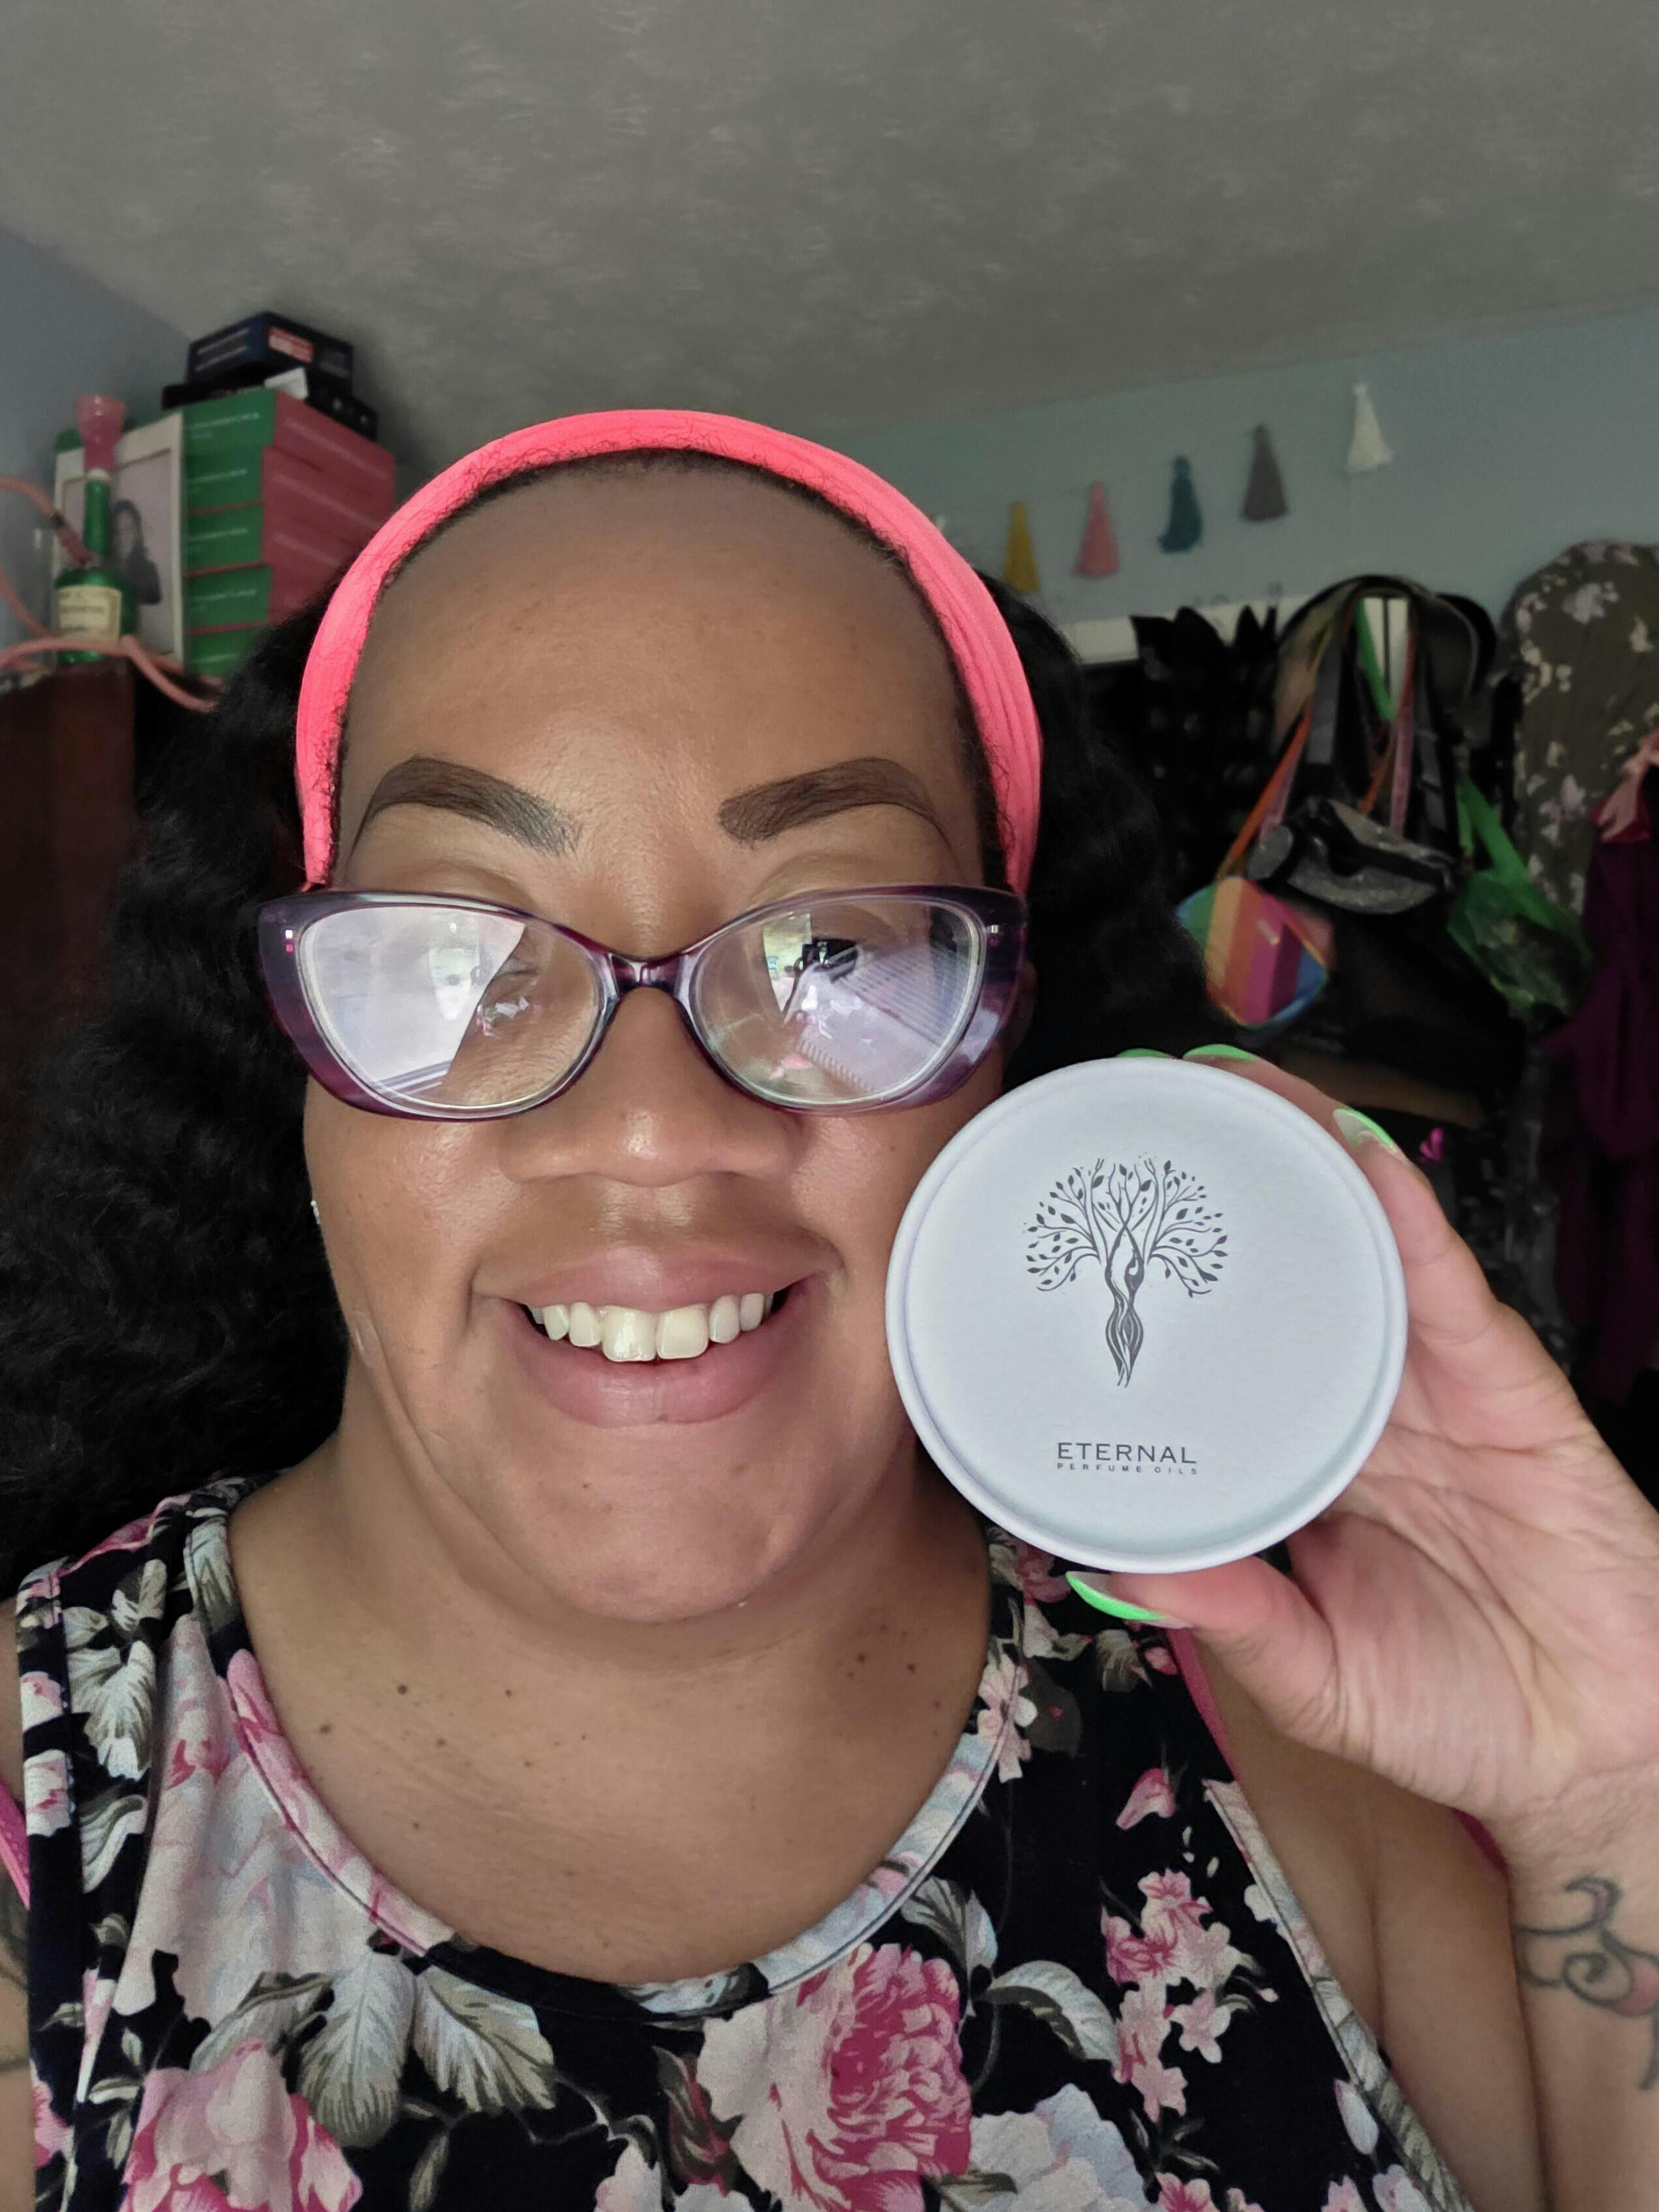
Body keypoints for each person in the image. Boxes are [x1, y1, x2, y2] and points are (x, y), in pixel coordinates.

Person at [1, 411, 1655, 2212]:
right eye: (459, 955)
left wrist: (1613, 1786)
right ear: (297, 1057)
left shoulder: (1286, 1730)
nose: (650, 1129)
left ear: (1008, 1058)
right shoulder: (38, 1807)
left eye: (835, 954)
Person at [109, 498, 163, 608]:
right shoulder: (104, 571)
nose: (122, 537)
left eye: (128, 529)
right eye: (117, 530)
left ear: (138, 532)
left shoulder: (149, 572)